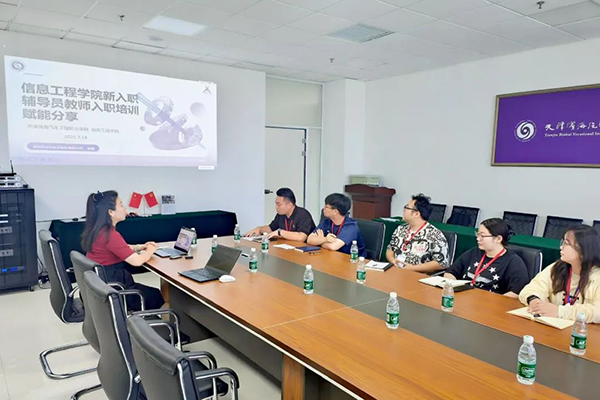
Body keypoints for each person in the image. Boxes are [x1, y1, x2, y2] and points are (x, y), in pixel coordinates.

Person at [81, 190, 164, 311]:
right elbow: (137, 261)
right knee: (158, 295)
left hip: (102, 286)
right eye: (121, 205)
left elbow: (117, 248)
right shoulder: (110, 235)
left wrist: (137, 247)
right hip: (116, 289)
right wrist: (150, 250)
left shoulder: (99, 231)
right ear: (111, 212)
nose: (125, 209)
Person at [519, 225, 600, 323]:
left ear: (583, 251)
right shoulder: (558, 267)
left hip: (583, 330)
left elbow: (597, 312)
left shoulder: (597, 277)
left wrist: (559, 311)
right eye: (563, 242)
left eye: (567, 243)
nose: (561, 247)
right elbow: (532, 288)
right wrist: (535, 301)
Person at [444, 218, 528, 297]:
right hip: (465, 298)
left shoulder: (513, 262)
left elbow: (516, 293)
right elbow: (450, 272)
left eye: (482, 236)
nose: (478, 239)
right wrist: (451, 287)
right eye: (478, 234)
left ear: (498, 239)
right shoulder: (474, 252)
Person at [385, 194, 449, 273]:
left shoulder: (434, 234)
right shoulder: (401, 229)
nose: (404, 210)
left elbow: (442, 263)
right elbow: (390, 249)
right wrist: (392, 260)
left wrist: (413, 268)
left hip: (417, 275)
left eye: (407, 207)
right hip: (396, 271)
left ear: (416, 214)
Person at [245, 187, 315, 242]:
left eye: (279, 205)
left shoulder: (303, 214)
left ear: (289, 205)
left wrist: (280, 233)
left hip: (306, 250)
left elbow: (301, 237)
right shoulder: (281, 214)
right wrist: (259, 229)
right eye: (276, 204)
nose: (276, 207)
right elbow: (271, 228)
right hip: (288, 246)